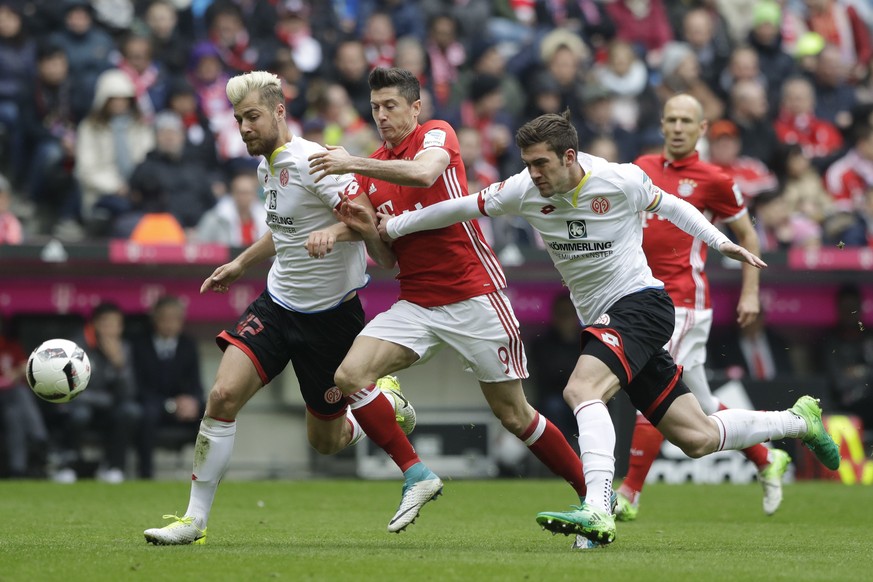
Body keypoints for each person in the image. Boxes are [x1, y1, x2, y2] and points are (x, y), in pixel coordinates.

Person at [375, 109, 841, 546]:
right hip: (606, 318)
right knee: (696, 436)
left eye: (542, 163)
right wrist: (397, 227)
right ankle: (799, 421)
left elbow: (675, 207)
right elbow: (459, 208)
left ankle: (598, 507)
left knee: (582, 390)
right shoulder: (523, 190)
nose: (534, 173)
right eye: (528, 164)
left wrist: (721, 243)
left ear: (570, 157)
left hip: (643, 304)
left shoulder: (619, 179)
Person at [306, 67, 591, 538]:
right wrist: (357, 229)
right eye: (375, 107)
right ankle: (417, 474)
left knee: (513, 415)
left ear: (415, 108)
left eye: (391, 105)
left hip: (475, 295)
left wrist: (351, 163)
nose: (381, 115)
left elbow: (423, 174)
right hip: (417, 301)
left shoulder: (436, 135)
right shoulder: (372, 171)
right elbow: (387, 260)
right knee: (349, 375)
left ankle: (593, 494)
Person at [142, 70, 414, 546]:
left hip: (331, 318)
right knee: (222, 396)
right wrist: (240, 262)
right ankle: (193, 521)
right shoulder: (270, 165)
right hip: (277, 305)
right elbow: (286, 228)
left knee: (325, 442)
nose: (244, 127)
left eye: (253, 117)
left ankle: (386, 402)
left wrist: (335, 231)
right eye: (238, 119)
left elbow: (366, 219)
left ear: (279, 112)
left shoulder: (313, 161)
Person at [616, 95, 789, 523]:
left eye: (685, 121)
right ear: (661, 124)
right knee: (705, 406)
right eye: (671, 119)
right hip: (643, 295)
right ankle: (767, 459)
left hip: (683, 302)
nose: (677, 127)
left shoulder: (715, 179)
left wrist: (750, 292)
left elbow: (748, 235)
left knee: (649, 389)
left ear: (701, 128)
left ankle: (628, 494)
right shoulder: (642, 166)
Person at [55, 302, 141, 484]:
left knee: (130, 411)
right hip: (82, 405)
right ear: (94, 324)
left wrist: (119, 364)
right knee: (79, 414)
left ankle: (113, 466)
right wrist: (107, 400)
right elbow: (73, 390)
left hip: (110, 407)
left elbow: (129, 393)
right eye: (106, 324)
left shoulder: (124, 348)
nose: (111, 330)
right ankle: (68, 465)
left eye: (116, 325)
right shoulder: (76, 346)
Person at [131, 295, 205, 479]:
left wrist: (193, 401)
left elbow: (196, 384)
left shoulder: (189, 345)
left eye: (175, 319)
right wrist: (170, 404)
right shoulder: (140, 344)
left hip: (182, 405)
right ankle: (145, 475)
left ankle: (207, 473)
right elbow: (138, 387)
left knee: (209, 412)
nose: (169, 324)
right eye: (165, 318)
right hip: (153, 403)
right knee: (146, 414)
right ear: (155, 319)